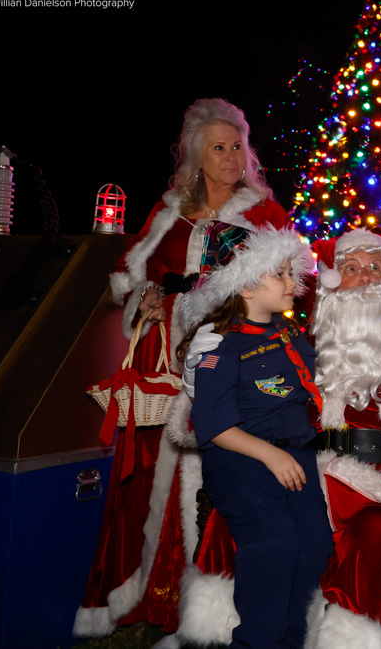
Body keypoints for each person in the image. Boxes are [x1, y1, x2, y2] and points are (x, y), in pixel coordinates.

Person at [74, 98, 289, 639]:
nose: (231, 156)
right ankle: (140, 594)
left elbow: (287, 288)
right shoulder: (169, 208)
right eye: (218, 148)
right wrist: (144, 297)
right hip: (161, 359)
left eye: (237, 145)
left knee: (217, 477)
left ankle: (206, 608)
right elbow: (130, 272)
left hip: (225, 357)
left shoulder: (266, 213)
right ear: (196, 155)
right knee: (149, 477)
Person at [178, 225, 333, 649]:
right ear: (245, 286)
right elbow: (213, 425)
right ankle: (257, 641)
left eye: (291, 272)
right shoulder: (220, 347)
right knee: (275, 541)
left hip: (293, 456)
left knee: (315, 544)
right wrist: (269, 455)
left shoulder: (290, 336)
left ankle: (293, 640)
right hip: (241, 457)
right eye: (279, 274)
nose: (292, 283)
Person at [304, 229, 381, 648]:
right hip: (318, 479)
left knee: (378, 527)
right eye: (351, 269)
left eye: (376, 269)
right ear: (332, 285)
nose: (366, 278)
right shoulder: (301, 350)